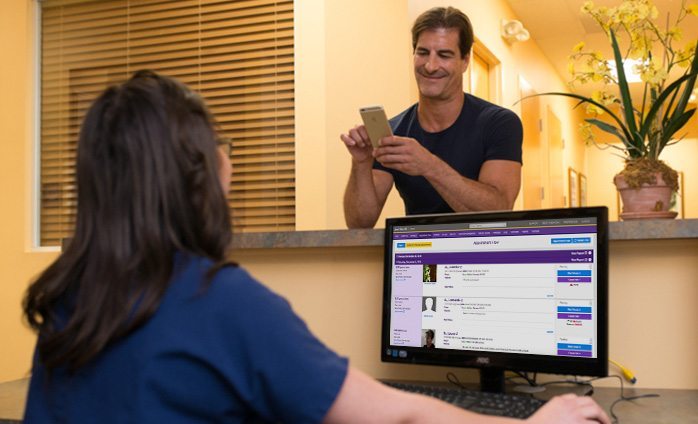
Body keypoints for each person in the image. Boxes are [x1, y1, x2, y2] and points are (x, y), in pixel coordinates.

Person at [22, 71, 609, 424]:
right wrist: (539, 417)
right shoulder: (222, 304)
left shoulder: (72, 301)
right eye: (216, 144)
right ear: (201, 172)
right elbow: (395, 414)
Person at [342, 6, 523, 228]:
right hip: (417, 256)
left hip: (481, 257)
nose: (430, 66)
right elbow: (359, 224)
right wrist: (361, 163)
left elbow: (499, 210)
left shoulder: (500, 123)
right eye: (423, 52)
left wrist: (428, 165)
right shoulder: (395, 132)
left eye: (444, 55)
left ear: (465, 60)